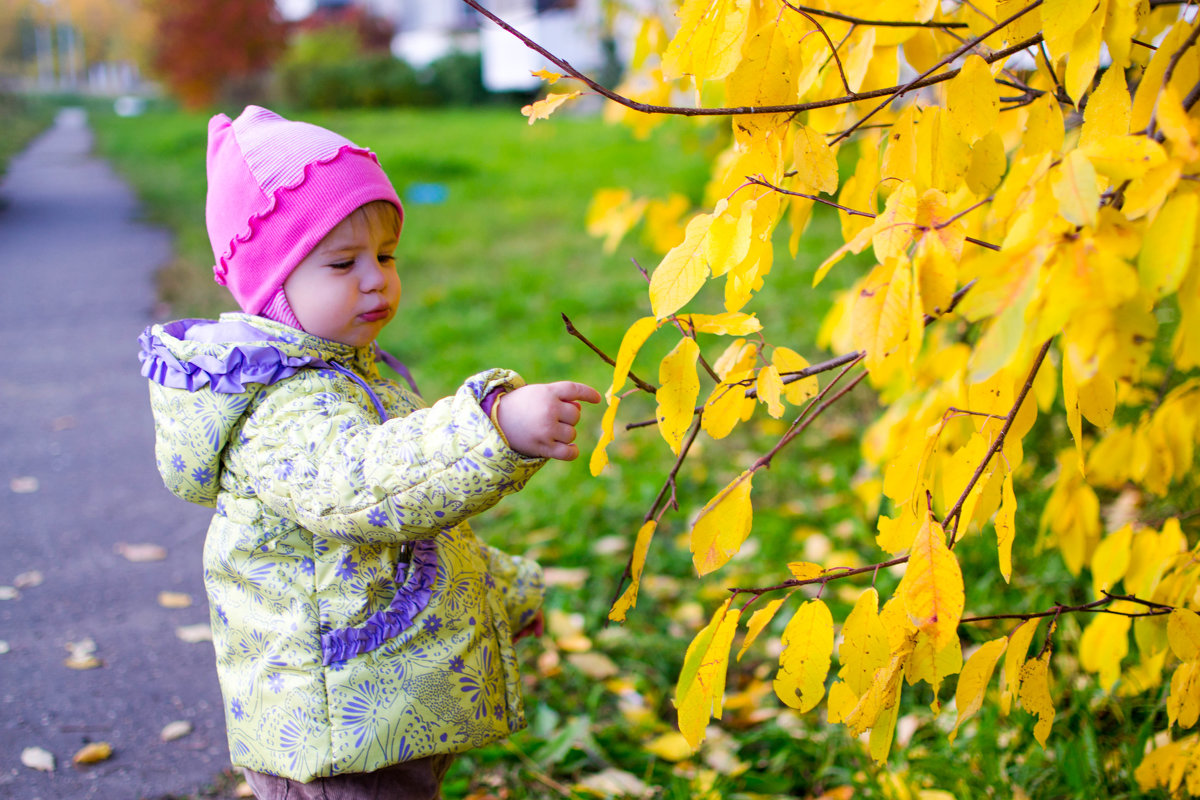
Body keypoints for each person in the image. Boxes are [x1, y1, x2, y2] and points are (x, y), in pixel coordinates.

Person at [138, 105, 601, 799]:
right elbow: (364, 490)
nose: (377, 278)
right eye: (342, 262)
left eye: (385, 256)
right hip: (334, 734)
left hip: (378, 708)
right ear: (273, 285)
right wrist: (492, 429)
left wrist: (501, 590)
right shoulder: (283, 406)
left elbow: (417, 536)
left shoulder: (351, 374)